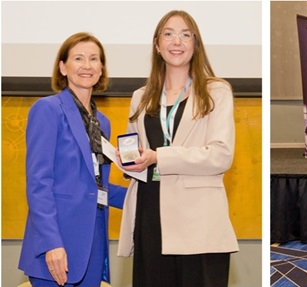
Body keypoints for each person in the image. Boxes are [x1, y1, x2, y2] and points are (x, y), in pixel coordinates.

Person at [116, 10, 238, 286]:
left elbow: (221, 155)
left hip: (199, 218)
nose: (177, 41)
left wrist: (159, 156)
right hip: (150, 212)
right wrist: (129, 162)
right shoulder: (141, 97)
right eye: (168, 34)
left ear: (196, 45)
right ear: (157, 45)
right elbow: (135, 150)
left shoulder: (216, 91)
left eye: (185, 35)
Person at [19, 32, 127, 287]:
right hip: (56, 246)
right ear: (63, 67)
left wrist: (148, 193)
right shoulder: (47, 110)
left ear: (102, 69)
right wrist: (52, 244)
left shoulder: (103, 123)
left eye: (94, 59)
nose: (87, 66)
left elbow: (97, 187)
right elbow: (39, 183)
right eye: (78, 58)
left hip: (93, 245)